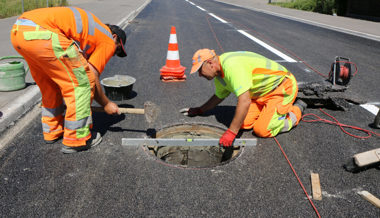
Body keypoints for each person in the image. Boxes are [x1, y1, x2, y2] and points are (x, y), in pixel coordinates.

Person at [10, 7, 128, 153]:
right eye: (117, 50)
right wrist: (106, 103)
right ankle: (76, 139)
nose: (114, 54)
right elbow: (91, 74)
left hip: (20, 31)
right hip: (45, 35)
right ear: (115, 37)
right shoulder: (108, 39)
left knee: (51, 85)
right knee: (82, 83)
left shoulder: (93, 29)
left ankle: (52, 131)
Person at [180, 49, 307, 147]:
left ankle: (296, 110)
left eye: (200, 71)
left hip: (281, 88)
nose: (200, 75)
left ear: (210, 63)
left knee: (262, 130)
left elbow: (244, 100)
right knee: (243, 123)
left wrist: (231, 132)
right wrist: (200, 110)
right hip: (260, 94)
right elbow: (218, 97)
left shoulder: (231, 66)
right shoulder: (219, 75)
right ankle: (268, 111)